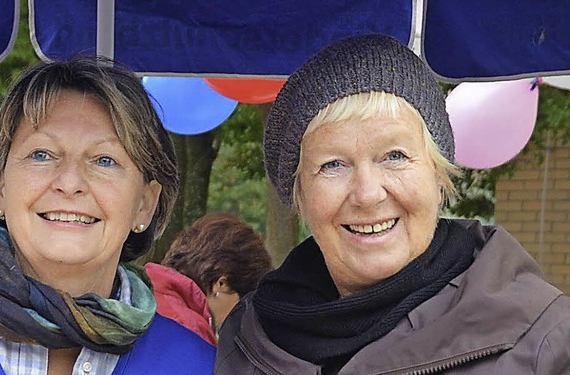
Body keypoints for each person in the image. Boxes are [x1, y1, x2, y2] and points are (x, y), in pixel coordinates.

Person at [215, 34, 570, 374]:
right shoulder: (248, 341)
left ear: (437, 175)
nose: (368, 194)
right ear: (300, 197)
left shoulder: (546, 342)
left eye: (395, 156)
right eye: (332, 165)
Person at [0, 56, 215, 374]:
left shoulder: (198, 365)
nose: (69, 183)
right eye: (42, 155)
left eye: (104, 160)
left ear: (144, 205)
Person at [160, 212, 273, 337]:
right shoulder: (190, 333)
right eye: (240, 307)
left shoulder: (143, 293)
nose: (238, 321)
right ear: (222, 284)